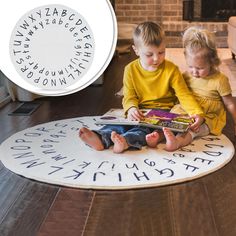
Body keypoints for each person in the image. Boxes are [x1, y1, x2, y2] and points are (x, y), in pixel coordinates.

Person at [79, 22, 204, 153]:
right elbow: (129, 95)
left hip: (163, 112)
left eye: (161, 52)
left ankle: (125, 142)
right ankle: (100, 138)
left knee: (143, 130)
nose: (156, 59)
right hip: (139, 109)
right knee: (118, 125)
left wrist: (196, 112)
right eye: (149, 55)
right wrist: (132, 108)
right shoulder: (130, 69)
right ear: (136, 50)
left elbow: (183, 94)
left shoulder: (171, 69)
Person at [146, 26, 236, 152]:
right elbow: (178, 94)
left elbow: (230, 104)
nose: (194, 72)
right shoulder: (186, 76)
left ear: (212, 61)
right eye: (190, 66)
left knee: (191, 130)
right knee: (168, 123)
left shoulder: (220, 80)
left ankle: (178, 142)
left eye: (199, 68)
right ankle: (158, 135)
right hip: (185, 110)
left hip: (208, 117)